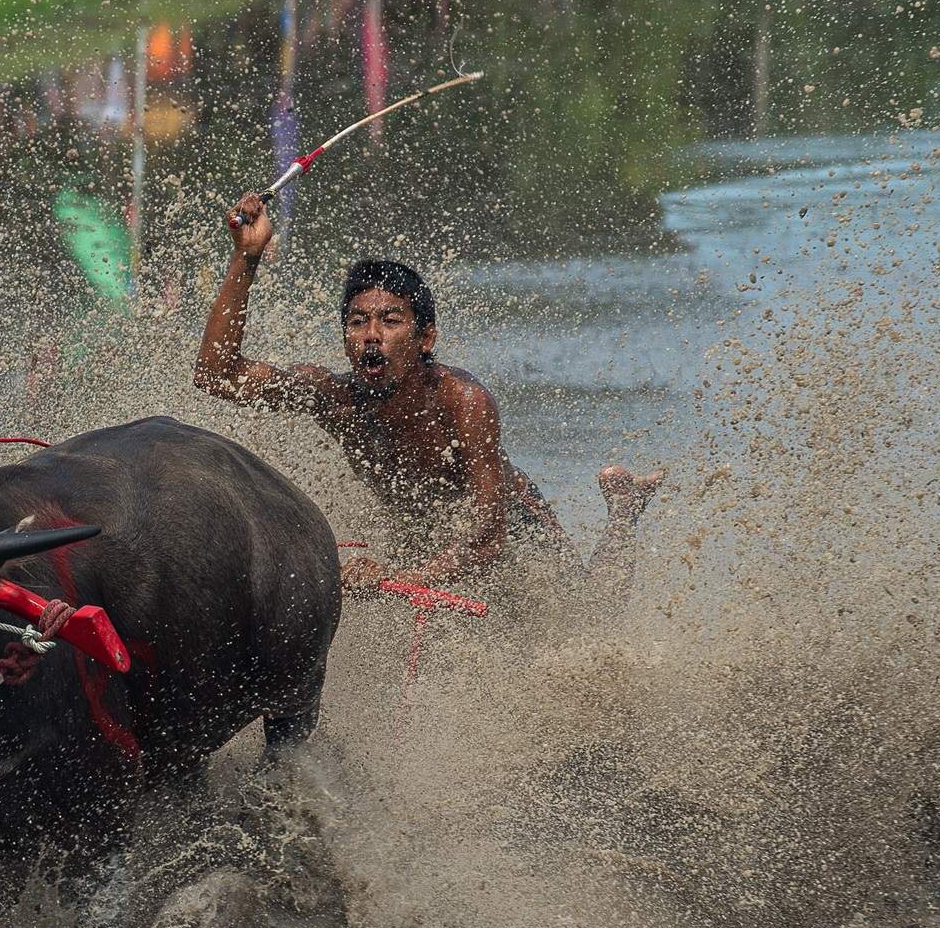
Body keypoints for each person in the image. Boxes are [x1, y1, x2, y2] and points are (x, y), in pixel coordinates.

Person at [194, 191, 662, 626]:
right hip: (426, 540)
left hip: (511, 526)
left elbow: (489, 535)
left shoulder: (463, 401)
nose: (371, 335)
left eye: (391, 320)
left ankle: (622, 511)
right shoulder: (331, 396)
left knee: (590, 617)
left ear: (425, 338)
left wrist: (400, 577)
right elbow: (217, 375)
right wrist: (246, 256)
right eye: (357, 322)